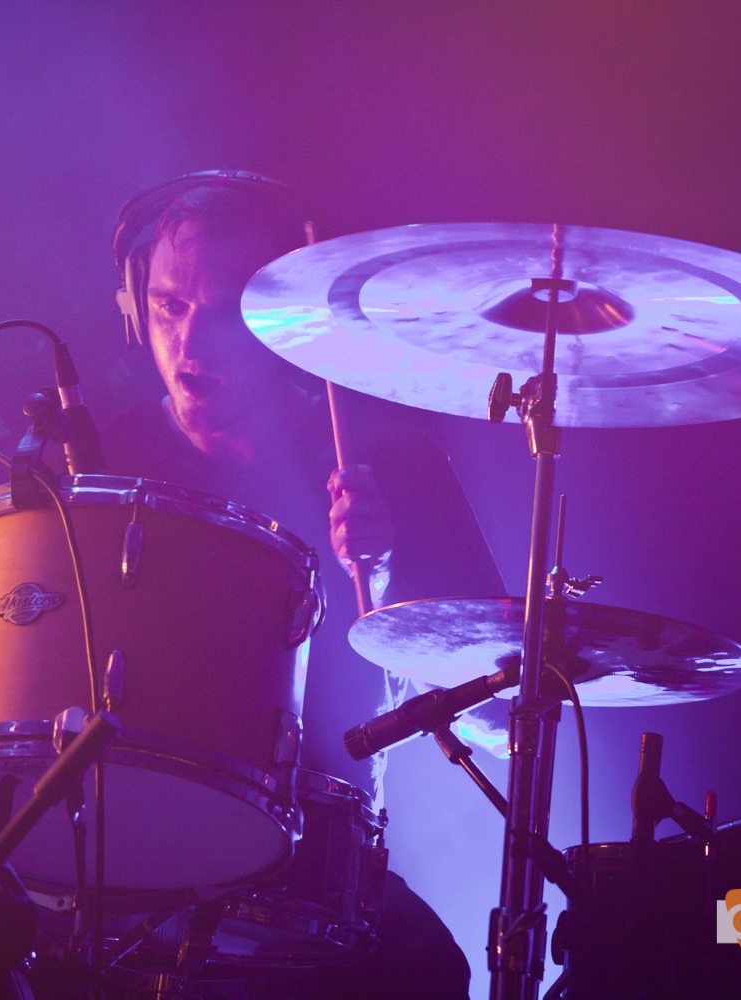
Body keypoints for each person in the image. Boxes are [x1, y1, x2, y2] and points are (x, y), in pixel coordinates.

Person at [103, 171, 504, 998]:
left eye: (221, 317)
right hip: (126, 834)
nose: (189, 345)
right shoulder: (101, 465)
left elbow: (497, 703)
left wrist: (387, 567)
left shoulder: (386, 463)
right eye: (170, 308)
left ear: (284, 323)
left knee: (429, 974)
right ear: (134, 308)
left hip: (310, 862)